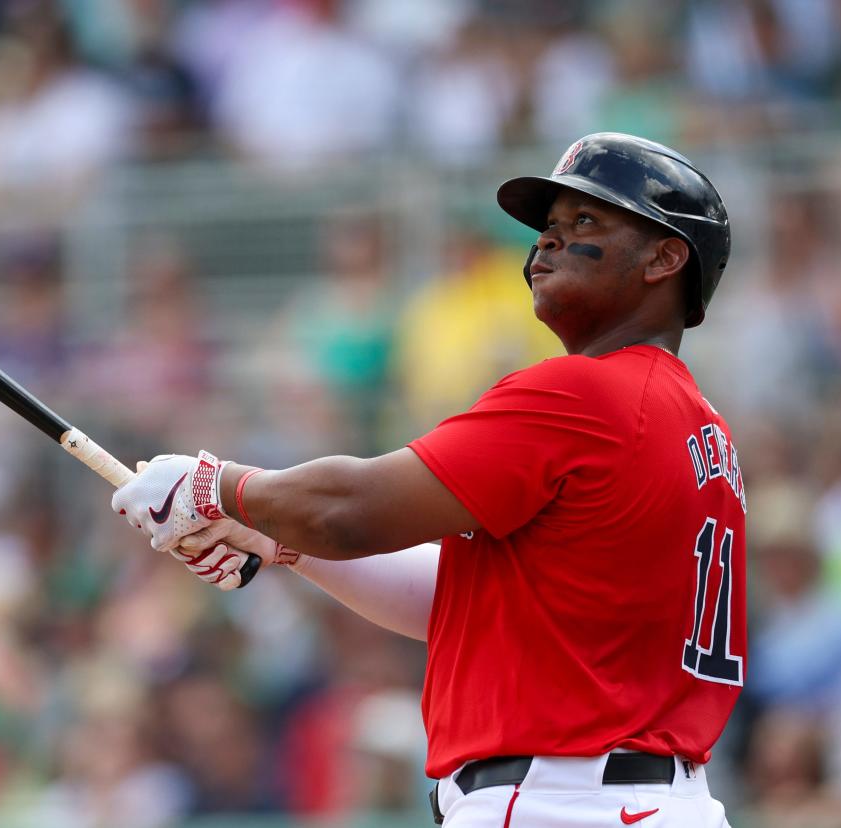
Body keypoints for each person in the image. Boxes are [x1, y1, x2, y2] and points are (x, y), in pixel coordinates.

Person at [111, 133, 743, 828]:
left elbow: (348, 510)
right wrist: (272, 537)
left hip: (561, 800)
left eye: (585, 222)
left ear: (666, 255)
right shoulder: (697, 425)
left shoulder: (588, 393)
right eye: (549, 228)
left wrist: (213, 485)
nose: (547, 245)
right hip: (649, 800)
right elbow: (462, 601)